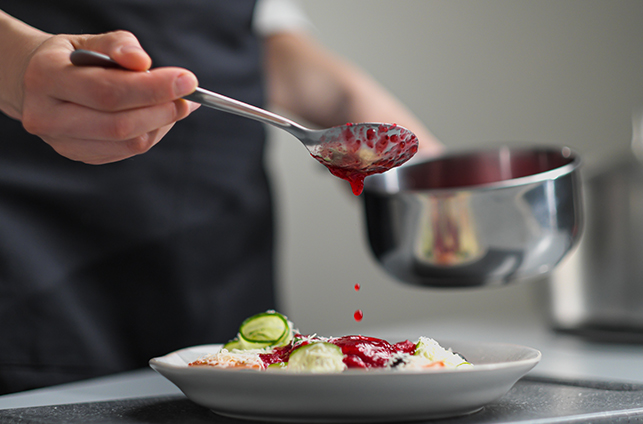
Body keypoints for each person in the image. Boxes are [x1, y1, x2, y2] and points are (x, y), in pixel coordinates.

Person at [0, 0, 442, 394]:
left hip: (219, 237)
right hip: (29, 237)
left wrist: (350, 102)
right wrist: (16, 64)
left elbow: (249, 27)